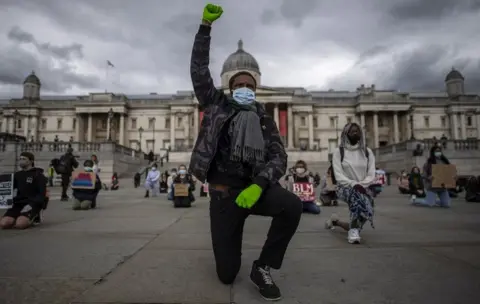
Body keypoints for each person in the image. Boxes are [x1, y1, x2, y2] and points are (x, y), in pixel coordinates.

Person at [188, 5, 302, 301]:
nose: (243, 88)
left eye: (249, 85)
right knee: (226, 274)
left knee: (292, 205)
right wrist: (205, 28)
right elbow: (199, 70)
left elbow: (279, 157)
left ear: (256, 88)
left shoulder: (264, 117)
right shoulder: (215, 105)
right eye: (237, 84)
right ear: (229, 86)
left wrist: (260, 184)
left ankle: (263, 266)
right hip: (225, 197)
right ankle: (232, 241)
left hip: (254, 189)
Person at [324, 123, 376, 244]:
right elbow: (338, 175)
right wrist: (354, 184)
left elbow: (371, 173)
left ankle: (337, 222)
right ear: (346, 134)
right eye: (352, 131)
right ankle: (353, 231)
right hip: (344, 187)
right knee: (356, 198)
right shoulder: (339, 152)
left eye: (357, 131)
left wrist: (361, 184)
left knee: (369, 206)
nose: (355, 133)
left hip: (363, 187)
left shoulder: (367, 152)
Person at [0, 152, 47, 229]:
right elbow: (8, 188)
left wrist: (32, 205)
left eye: (24, 159)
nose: (21, 161)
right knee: (4, 224)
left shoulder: (38, 175)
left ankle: (35, 216)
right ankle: (17, 217)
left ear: (31, 161)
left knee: (20, 225)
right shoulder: (17, 175)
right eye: (20, 159)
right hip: (18, 203)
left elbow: (41, 194)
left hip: (31, 203)